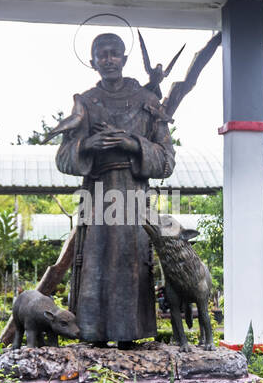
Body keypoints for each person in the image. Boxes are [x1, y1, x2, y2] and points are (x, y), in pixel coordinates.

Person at [55, 33, 175, 346]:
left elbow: (167, 162)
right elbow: (63, 158)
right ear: (93, 62)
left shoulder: (148, 102)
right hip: (96, 196)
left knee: (131, 260)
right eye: (101, 55)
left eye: (114, 54)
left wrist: (133, 143)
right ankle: (92, 335)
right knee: (94, 261)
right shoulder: (85, 102)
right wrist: (86, 145)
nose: (108, 59)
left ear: (124, 58)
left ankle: (129, 337)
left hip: (134, 197)